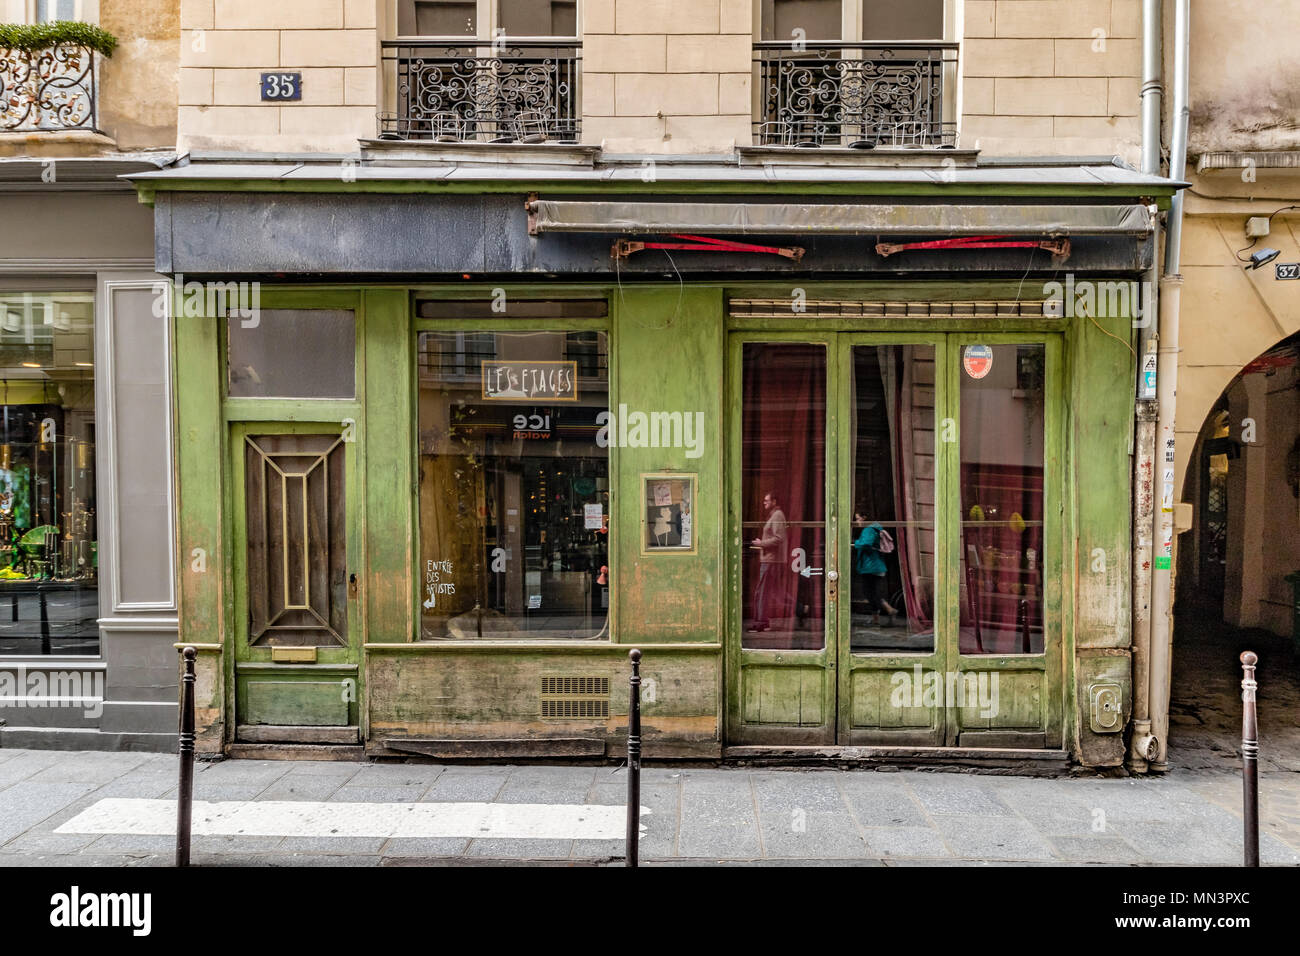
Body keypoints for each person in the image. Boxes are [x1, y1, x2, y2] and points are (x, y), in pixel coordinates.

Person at [748, 491, 787, 632]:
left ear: (774, 502)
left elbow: (778, 539)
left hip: (771, 560)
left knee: (762, 592)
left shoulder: (777, 515)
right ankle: (801, 609)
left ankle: (761, 623)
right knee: (774, 592)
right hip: (771, 559)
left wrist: (761, 543)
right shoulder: (775, 515)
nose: (764, 503)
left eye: (767, 500)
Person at [853, 513, 899, 627]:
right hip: (875, 565)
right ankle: (876, 619)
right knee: (872, 592)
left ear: (864, 518)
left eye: (858, 518)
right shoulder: (875, 528)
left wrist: (855, 542)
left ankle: (889, 610)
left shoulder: (869, 529)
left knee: (870, 592)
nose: (857, 521)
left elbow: (865, 543)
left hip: (870, 566)